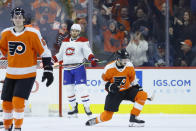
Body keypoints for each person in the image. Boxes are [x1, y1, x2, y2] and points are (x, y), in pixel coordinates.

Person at [0, 7, 54, 131]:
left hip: (27, 74)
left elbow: (44, 51)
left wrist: (48, 69)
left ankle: (18, 128)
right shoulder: (6, 33)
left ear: (24, 19)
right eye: (15, 17)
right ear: (12, 19)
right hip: (11, 74)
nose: (18, 20)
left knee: (18, 101)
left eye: (20, 17)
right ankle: (8, 127)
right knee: (6, 103)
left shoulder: (33, 33)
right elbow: (1, 51)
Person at [85, 48, 148, 127]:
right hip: (115, 93)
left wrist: (137, 86)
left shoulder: (129, 65)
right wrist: (111, 86)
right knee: (107, 117)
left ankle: (133, 117)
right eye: (123, 60)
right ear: (117, 59)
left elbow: (133, 79)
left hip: (127, 90)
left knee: (143, 95)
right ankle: (95, 120)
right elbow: (103, 82)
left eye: (126, 59)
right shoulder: (109, 68)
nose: (125, 62)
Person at [52, 24, 98, 117]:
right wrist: (52, 59)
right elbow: (60, 54)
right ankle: (74, 107)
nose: (74, 32)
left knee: (82, 87)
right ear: (70, 31)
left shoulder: (83, 41)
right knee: (69, 89)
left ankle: (87, 107)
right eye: (73, 30)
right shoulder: (65, 42)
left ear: (79, 32)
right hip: (67, 69)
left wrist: (92, 59)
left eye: (77, 31)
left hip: (79, 68)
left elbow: (87, 52)